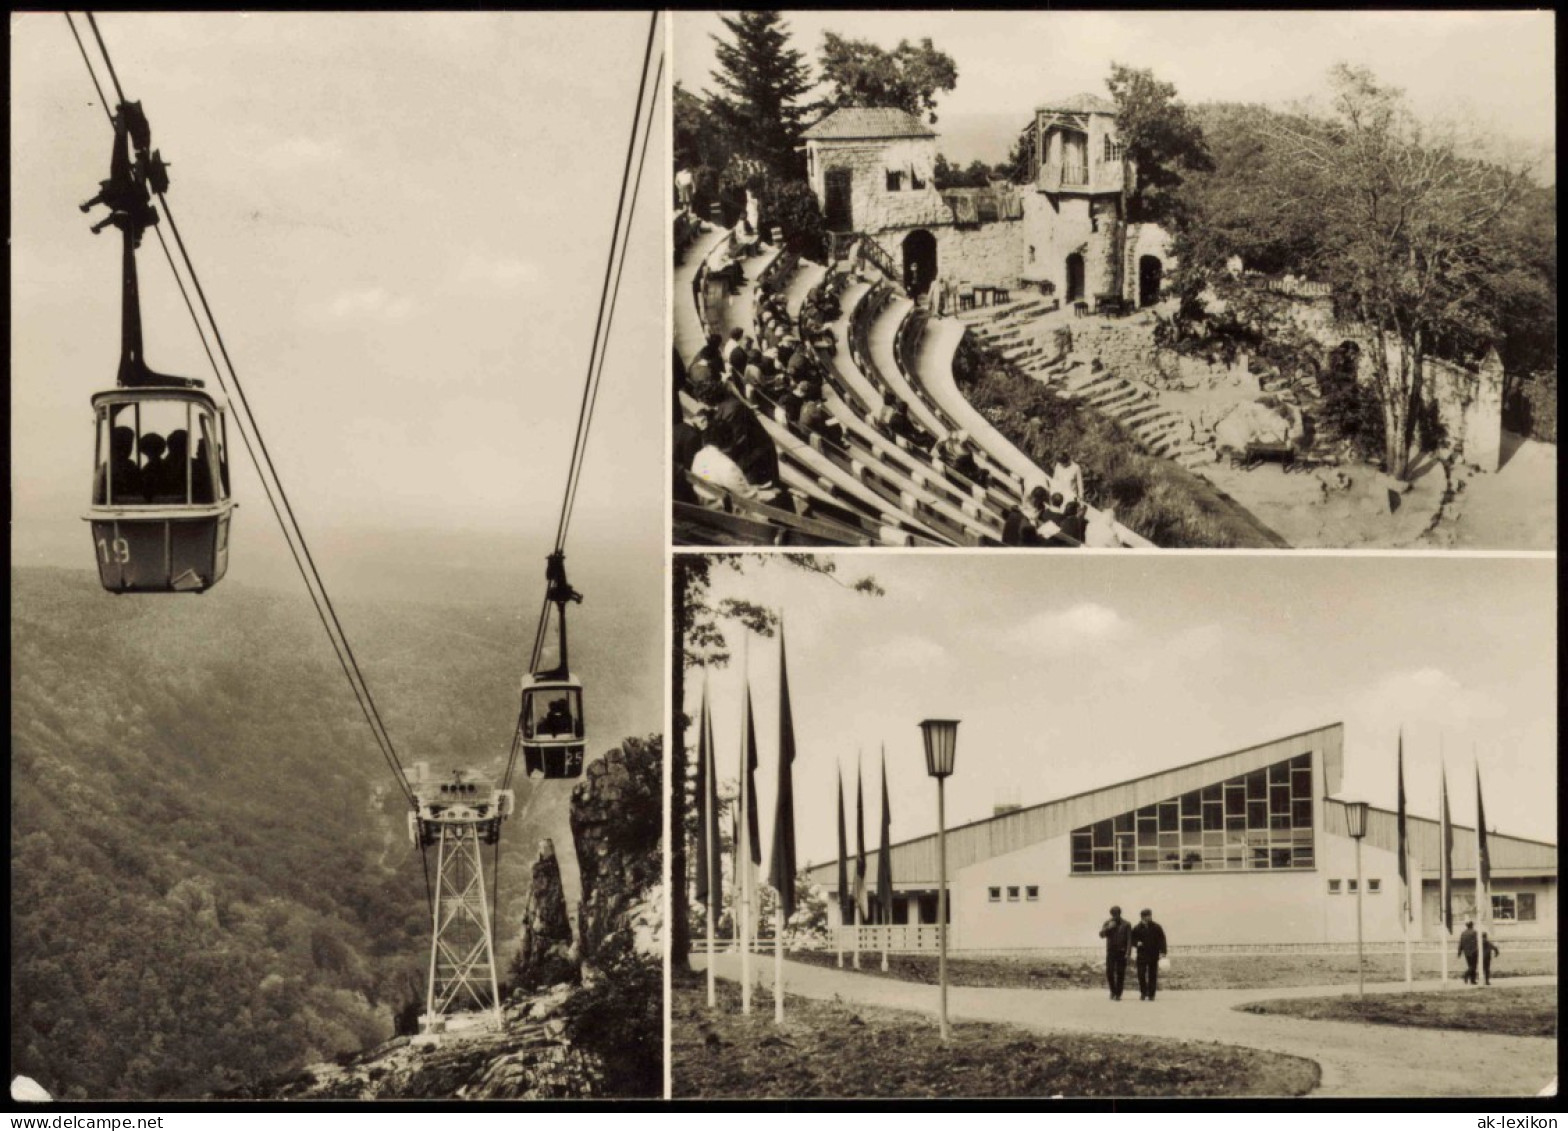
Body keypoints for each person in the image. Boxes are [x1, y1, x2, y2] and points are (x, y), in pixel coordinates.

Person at [1131, 908, 1168, 1001]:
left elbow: (1162, 940)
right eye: (1147, 916)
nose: (1149, 917)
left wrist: (1163, 952)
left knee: (1153, 975)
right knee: (1141, 974)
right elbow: (1131, 939)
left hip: (1153, 954)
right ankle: (1143, 992)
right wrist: (1136, 943)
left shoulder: (1156, 927)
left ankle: (1151, 994)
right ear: (1142, 917)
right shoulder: (1137, 928)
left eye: (1150, 915)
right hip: (1142, 955)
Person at [1099, 905, 1132, 1001]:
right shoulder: (1107, 923)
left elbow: (1129, 939)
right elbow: (1101, 935)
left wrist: (1128, 953)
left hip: (1122, 952)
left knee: (1120, 973)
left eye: (1116, 914)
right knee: (1109, 971)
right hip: (1111, 951)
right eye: (1113, 914)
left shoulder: (1126, 924)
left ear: (1120, 913)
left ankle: (1118, 994)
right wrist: (1108, 928)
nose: (1114, 916)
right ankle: (1113, 991)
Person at [1458, 919, 1479, 985]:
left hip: (1466, 952)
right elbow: (1477, 941)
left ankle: (1472, 980)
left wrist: (1459, 952)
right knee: (1473, 966)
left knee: (1470, 966)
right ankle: (1467, 975)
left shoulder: (1463, 933)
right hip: (1474, 951)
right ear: (1472, 925)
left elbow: (1461, 943)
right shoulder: (1474, 932)